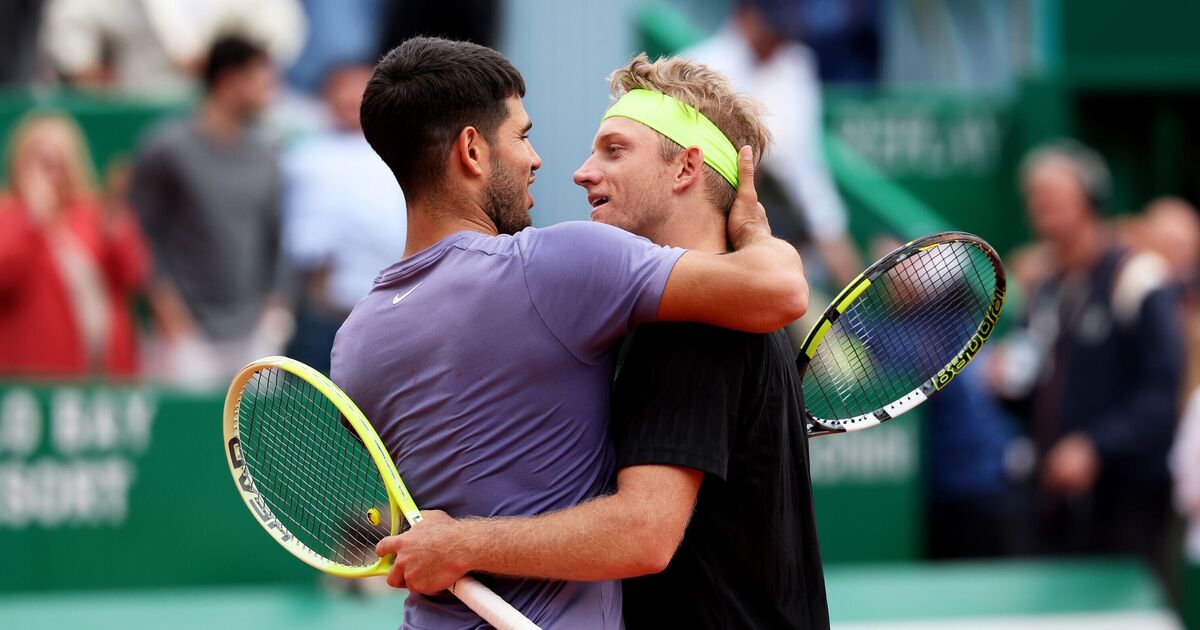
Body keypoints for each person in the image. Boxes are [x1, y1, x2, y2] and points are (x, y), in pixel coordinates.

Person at [332, 38, 808, 629]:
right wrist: (755, 231)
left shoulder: (353, 340)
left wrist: (463, 541)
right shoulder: (559, 269)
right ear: (473, 152)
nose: (546, 162)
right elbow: (783, 289)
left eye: (613, 150)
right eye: (523, 135)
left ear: (687, 167)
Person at [996, 140, 1183, 574]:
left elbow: (1161, 392)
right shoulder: (1043, 289)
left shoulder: (1137, 277)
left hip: (1127, 504)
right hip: (1052, 506)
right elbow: (1030, 386)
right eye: (1034, 199)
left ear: (1090, 199)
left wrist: (1095, 446)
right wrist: (1005, 383)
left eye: (1054, 197)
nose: (1042, 208)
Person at [130, 35, 291, 388]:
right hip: (186, 335)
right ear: (229, 80)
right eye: (261, 78)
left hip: (255, 335)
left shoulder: (268, 154)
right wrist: (170, 315)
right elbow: (142, 234)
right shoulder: (166, 149)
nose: (271, 89)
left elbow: (276, 236)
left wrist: (276, 311)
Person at [684, 0, 861, 290]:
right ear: (746, 16)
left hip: (782, 230)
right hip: (710, 226)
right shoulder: (698, 67)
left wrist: (832, 234)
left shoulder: (795, 63)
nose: (780, 39)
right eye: (773, 26)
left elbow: (801, 157)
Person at [0, 112, 149, 377]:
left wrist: (118, 222)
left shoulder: (91, 212)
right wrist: (32, 220)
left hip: (102, 368)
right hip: (33, 372)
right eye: (40, 160)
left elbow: (131, 276)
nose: (50, 171)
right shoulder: (9, 214)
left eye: (58, 160)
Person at [281, 63, 406, 374]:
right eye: (343, 89)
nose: (352, 99)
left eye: (360, 90)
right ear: (326, 97)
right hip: (322, 315)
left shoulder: (403, 154)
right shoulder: (300, 157)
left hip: (391, 313)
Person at [41, 0, 305, 95]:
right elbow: (70, 19)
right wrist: (83, 66)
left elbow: (280, 28)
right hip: (142, 100)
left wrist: (225, 59)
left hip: (223, 107)